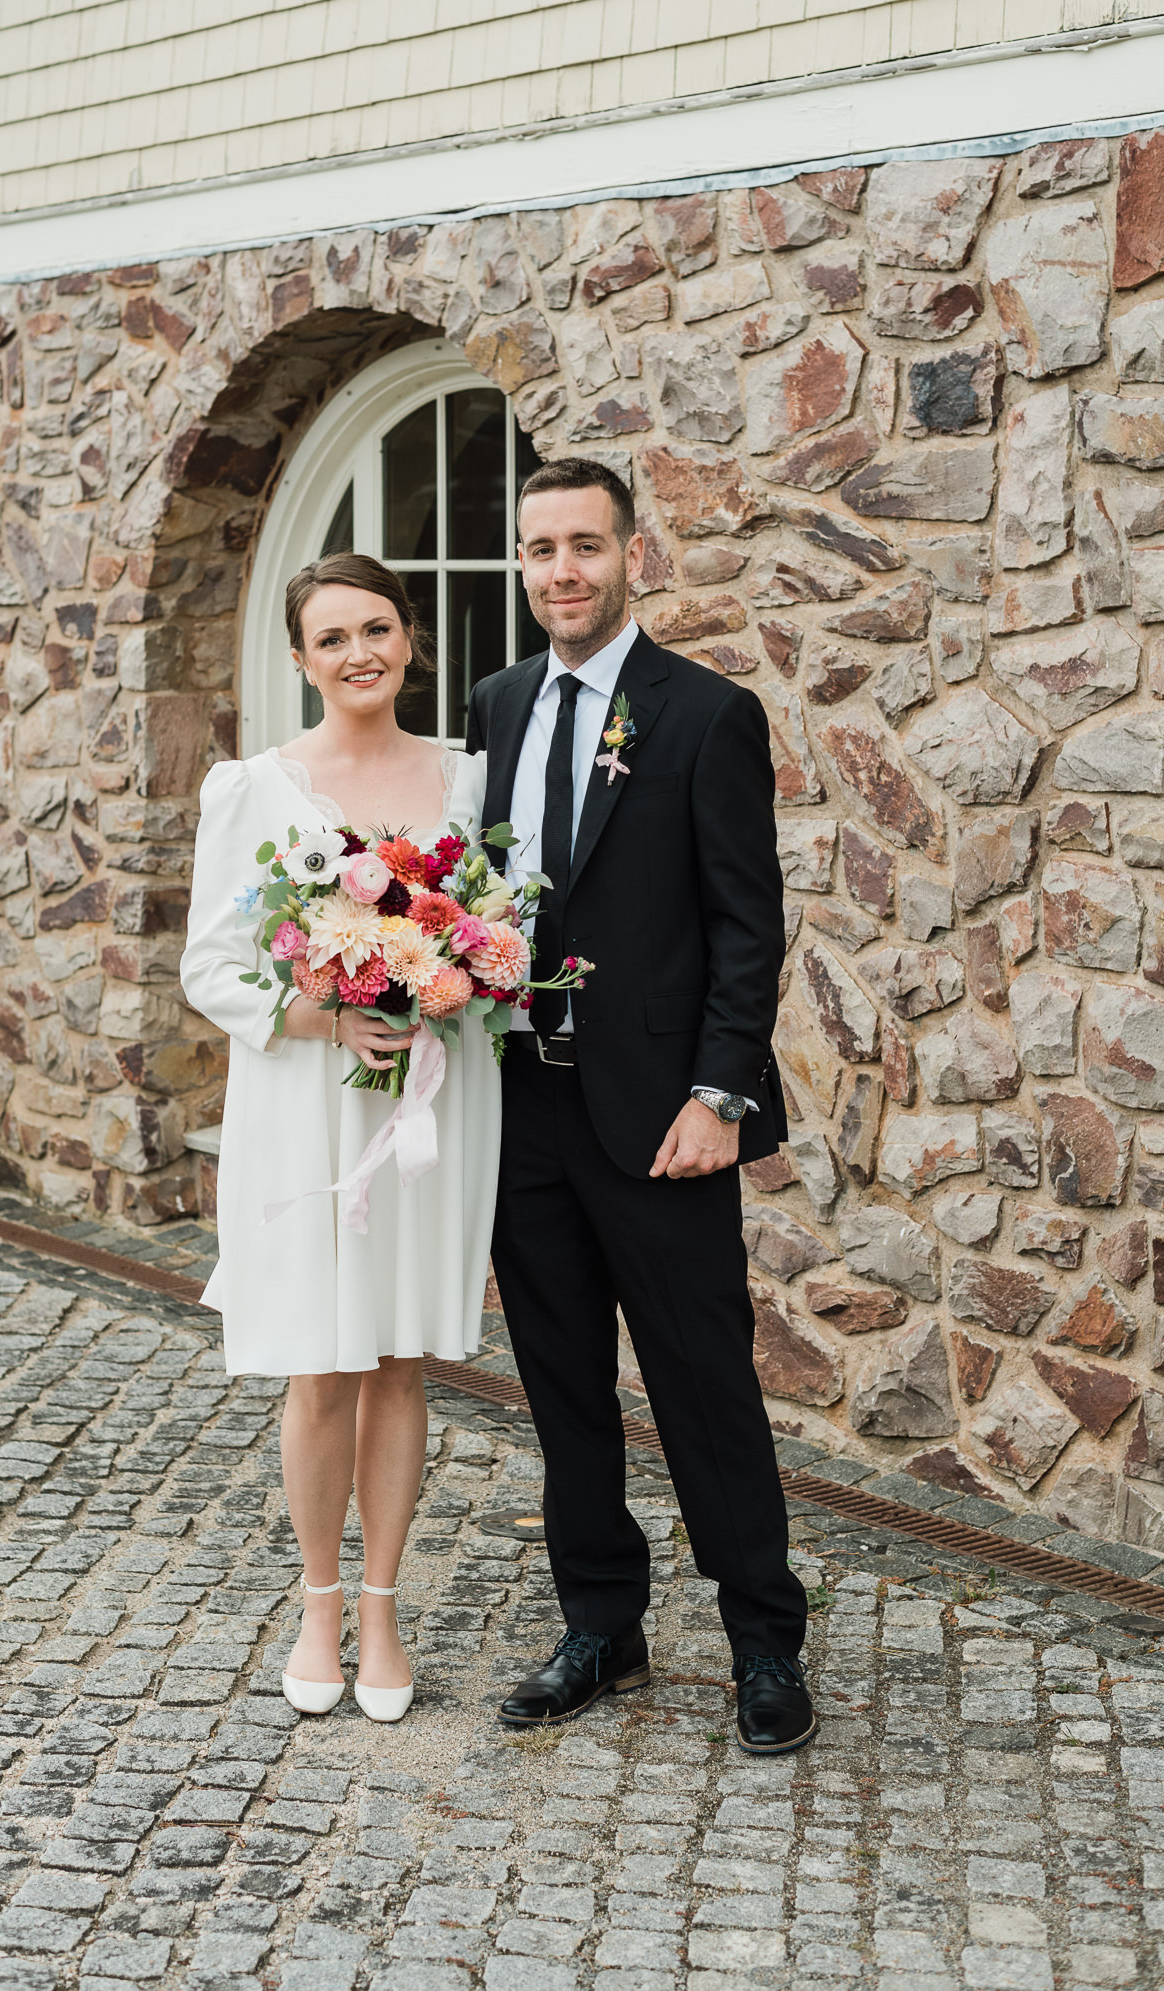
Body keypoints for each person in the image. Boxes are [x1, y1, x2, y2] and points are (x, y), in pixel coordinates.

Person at [465, 457, 814, 1755]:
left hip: (666, 1120)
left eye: (585, 546)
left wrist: (723, 1091)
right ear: (522, 560)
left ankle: (766, 1636)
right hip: (528, 1112)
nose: (563, 569)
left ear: (633, 554)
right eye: (541, 546)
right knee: (561, 1388)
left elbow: (746, 924)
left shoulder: (704, 715)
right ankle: (601, 1621)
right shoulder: (495, 705)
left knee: (704, 1384)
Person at [180, 552, 498, 1726]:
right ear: (302, 659)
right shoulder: (253, 789)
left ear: (410, 639)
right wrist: (325, 1014)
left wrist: (456, 973)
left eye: (377, 627)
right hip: (310, 1103)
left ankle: (380, 1607)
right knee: (324, 1360)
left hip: (433, 1105)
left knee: (403, 1357)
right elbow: (209, 966)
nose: (359, 652)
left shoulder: (469, 781)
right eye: (332, 638)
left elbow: (501, 926)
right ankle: (318, 1605)